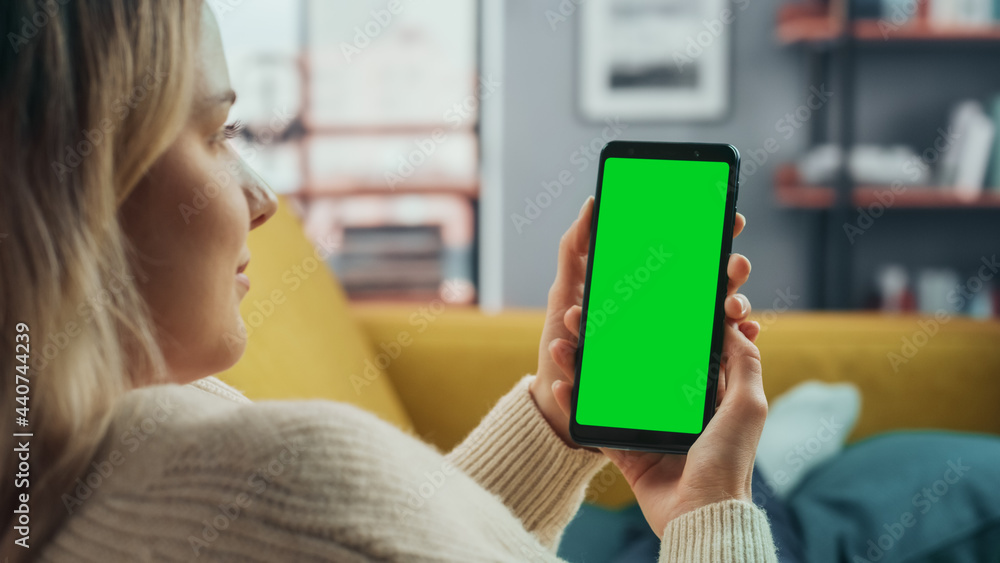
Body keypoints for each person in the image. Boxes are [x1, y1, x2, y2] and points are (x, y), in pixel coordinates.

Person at [0, 1, 777, 560]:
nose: (264, 200)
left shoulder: (59, 472)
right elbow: (341, 531)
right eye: (217, 133)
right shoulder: (281, 479)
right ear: (73, 193)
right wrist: (712, 508)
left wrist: (552, 417)